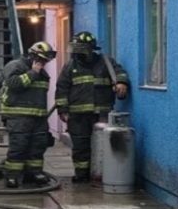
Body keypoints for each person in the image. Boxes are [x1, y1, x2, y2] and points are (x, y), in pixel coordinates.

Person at [55, 32, 129, 183]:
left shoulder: (105, 62)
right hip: (77, 115)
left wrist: (122, 82)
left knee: (102, 146)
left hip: (101, 114)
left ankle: (101, 174)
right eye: (75, 49)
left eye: (80, 49)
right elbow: (62, 89)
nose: (77, 53)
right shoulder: (70, 66)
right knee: (80, 146)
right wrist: (62, 110)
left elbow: (119, 72)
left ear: (90, 49)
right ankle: (81, 175)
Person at [0, 41, 57, 188]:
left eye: (46, 60)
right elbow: (13, 84)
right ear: (32, 56)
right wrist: (33, 73)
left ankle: (34, 173)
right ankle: (12, 176)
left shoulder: (43, 74)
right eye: (42, 59)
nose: (44, 62)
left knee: (37, 147)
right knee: (18, 147)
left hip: (38, 118)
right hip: (18, 116)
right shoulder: (15, 66)